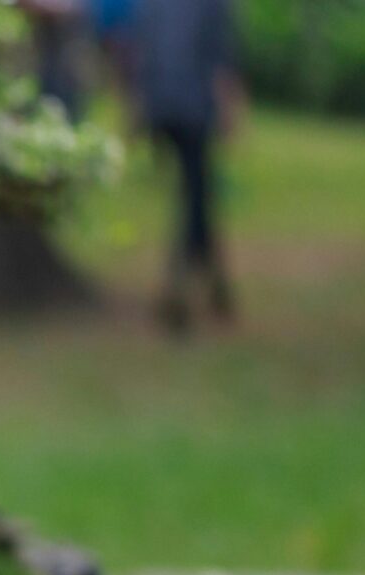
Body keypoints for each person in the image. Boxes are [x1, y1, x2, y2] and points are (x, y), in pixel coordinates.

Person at [130, 0, 244, 333]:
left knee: (196, 192)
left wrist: (139, 108)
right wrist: (230, 108)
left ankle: (214, 285)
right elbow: (223, 51)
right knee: (195, 194)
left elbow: (141, 49)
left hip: (162, 105)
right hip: (193, 107)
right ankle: (181, 284)